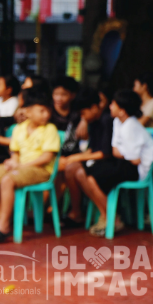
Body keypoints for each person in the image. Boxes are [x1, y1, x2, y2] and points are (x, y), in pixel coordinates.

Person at [0, 87, 61, 243]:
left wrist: (22, 166)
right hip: (21, 168)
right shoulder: (19, 129)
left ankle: (4, 226)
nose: (46, 115)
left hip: (41, 170)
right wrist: (14, 162)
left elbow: (46, 157)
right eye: (41, 111)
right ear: (28, 112)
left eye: (47, 111)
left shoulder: (50, 129)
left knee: (7, 180)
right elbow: (15, 152)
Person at [78, 88, 153, 237]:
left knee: (93, 176)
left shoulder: (131, 126)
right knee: (89, 173)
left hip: (137, 170)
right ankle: (109, 216)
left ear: (122, 110)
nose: (109, 107)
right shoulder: (117, 122)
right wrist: (122, 152)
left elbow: (135, 159)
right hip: (124, 162)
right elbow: (115, 151)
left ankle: (112, 217)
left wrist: (122, 152)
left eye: (113, 104)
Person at [59, 87, 114, 228]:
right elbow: (92, 149)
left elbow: (105, 153)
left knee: (80, 172)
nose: (82, 117)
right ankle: (76, 212)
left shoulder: (106, 120)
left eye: (83, 113)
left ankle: (107, 213)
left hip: (110, 163)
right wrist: (74, 158)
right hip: (96, 159)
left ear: (94, 107)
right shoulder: (93, 121)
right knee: (70, 168)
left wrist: (76, 158)